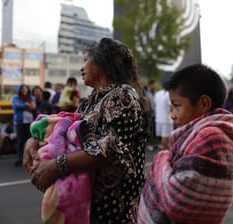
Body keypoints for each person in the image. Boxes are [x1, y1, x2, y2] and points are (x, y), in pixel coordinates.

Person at [23, 37, 150, 223]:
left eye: (85, 60)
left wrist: (56, 165)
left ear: (103, 62)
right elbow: (63, 127)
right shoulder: (92, 100)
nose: (81, 68)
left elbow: (109, 149)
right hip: (92, 204)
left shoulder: (123, 96)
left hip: (114, 207)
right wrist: (32, 140)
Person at [138, 64, 233, 223]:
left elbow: (177, 201)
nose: (173, 115)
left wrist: (161, 158)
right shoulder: (206, 133)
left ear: (203, 104)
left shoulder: (211, 136)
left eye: (177, 106)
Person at [12, 83, 36, 166]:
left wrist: (24, 106)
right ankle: (19, 158)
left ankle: (29, 157)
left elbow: (33, 107)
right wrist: (26, 105)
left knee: (29, 140)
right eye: (22, 89)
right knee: (20, 140)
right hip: (19, 122)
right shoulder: (15, 98)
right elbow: (15, 106)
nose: (24, 90)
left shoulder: (32, 98)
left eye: (26, 89)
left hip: (30, 122)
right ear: (19, 90)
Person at [145, 79, 157, 151]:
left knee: (153, 129)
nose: (155, 86)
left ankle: (153, 144)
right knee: (149, 130)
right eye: (154, 85)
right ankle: (149, 145)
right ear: (151, 85)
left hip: (154, 114)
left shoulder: (154, 93)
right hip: (148, 114)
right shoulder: (146, 93)